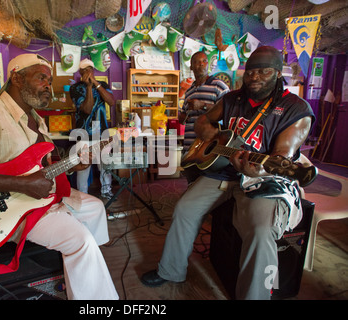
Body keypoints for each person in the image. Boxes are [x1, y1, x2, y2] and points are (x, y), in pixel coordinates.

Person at [0, 53, 119, 300]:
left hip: (36, 199)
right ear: (16, 78)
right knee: (81, 241)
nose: (48, 85)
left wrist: (71, 165)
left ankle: (86, 274)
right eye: (41, 78)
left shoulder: (36, 120)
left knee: (96, 207)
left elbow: (41, 166)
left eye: (49, 80)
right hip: (4, 211)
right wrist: (21, 184)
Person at [141, 46, 315, 300]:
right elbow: (202, 121)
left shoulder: (295, 108)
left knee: (262, 231)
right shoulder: (232, 98)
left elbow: (282, 155)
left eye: (264, 71)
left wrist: (256, 167)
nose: (255, 77)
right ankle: (171, 271)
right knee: (184, 209)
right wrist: (212, 139)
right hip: (222, 173)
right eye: (251, 72)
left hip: (262, 178)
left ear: (278, 74)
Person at [179, 51, 230, 183]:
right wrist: (182, 116)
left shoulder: (219, 86)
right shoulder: (189, 91)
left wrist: (203, 106)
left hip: (208, 148)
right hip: (190, 146)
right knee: (191, 182)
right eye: (197, 62)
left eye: (204, 61)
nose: (201, 65)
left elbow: (228, 112)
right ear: (191, 66)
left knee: (208, 183)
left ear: (208, 65)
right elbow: (184, 117)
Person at [69, 58, 116, 199]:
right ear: (80, 72)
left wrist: (95, 84)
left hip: (102, 133)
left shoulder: (102, 85)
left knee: (105, 166)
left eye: (90, 69)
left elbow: (111, 101)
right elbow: (87, 109)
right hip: (84, 134)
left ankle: (106, 191)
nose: (88, 72)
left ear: (93, 71)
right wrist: (88, 87)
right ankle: (83, 196)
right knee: (84, 167)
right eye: (85, 70)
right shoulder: (75, 88)